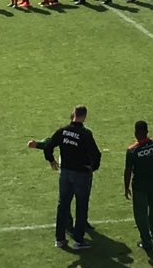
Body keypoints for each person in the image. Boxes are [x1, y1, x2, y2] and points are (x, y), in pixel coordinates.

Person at [26, 105, 100, 250]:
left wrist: (51, 160)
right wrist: (93, 167)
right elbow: (96, 154)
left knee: (62, 205)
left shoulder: (63, 130)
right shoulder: (85, 133)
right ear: (84, 117)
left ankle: (60, 239)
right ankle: (78, 241)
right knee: (81, 206)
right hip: (81, 174)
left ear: (73, 115)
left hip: (65, 173)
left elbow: (49, 144)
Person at [124, 120, 153, 251]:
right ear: (147, 131)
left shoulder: (132, 150)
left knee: (141, 214)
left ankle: (146, 241)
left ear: (136, 133)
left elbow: (128, 170)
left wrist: (126, 187)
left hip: (139, 187)